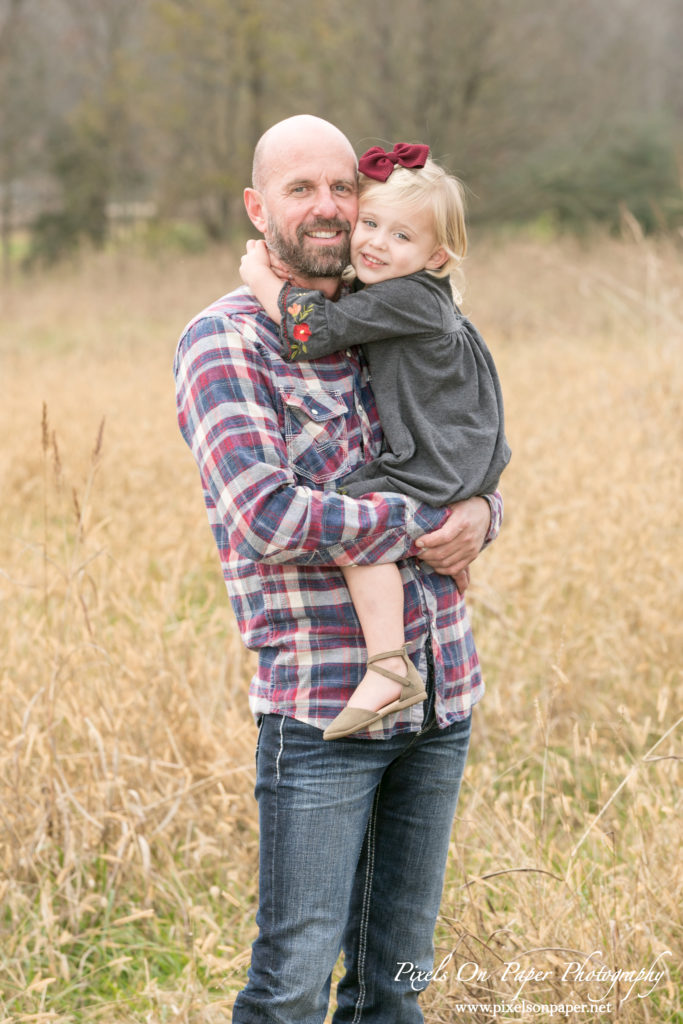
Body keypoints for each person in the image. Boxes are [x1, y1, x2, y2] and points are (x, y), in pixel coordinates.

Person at [174, 114, 503, 1024]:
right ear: (255, 206)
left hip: (441, 695)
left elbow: (465, 446)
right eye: (298, 189)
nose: (327, 208)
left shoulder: (394, 311)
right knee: (290, 987)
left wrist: (482, 512)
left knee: (398, 985)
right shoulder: (228, 342)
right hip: (323, 710)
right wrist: (424, 520)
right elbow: (269, 516)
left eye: (340, 187)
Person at [239, 143, 510, 741]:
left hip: (440, 456)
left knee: (354, 506)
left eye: (401, 237)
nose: (376, 244)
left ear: (437, 256)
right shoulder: (400, 293)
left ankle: (389, 665)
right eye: (369, 224)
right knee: (368, 508)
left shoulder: (408, 297)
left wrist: (259, 275)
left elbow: (311, 330)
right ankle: (400, 642)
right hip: (455, 452)